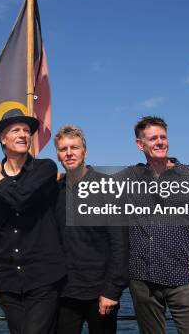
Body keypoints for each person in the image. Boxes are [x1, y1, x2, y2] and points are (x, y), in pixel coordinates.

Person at [127, 116, 189, 334]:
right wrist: (63, 179)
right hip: (142, 281)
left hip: (184, 278)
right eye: (153, 138)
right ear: (140, 144)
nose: (160, 142)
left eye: (163, 137)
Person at [0, 108, 66, 334]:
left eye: (26, 130)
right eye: (15, 130)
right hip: (8, 281)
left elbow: (21, 200)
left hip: (44, 277)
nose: (23, 134)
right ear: (2, 138)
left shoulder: (45, 168)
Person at [54, 125, 129, 334]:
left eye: (74, 147)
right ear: (58, 155)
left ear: (84, 151)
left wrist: (112, 291)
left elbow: (121, 245)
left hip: (101, 294)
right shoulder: (55, 191)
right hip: (64, 294)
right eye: (63, 149)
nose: (69, 153)